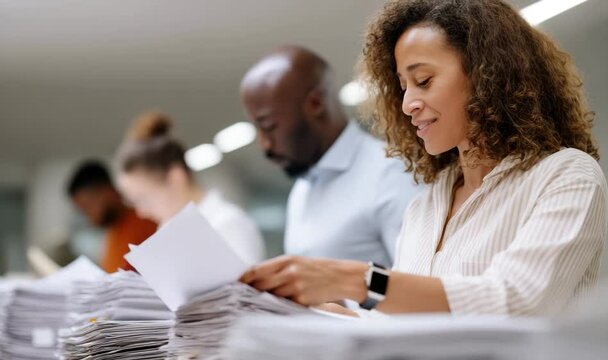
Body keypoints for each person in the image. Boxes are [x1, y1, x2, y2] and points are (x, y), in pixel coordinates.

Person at [241, 0, 608, 317]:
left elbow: (517, 300)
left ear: (486, 75)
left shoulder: (567, 176)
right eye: (403, 87)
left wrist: (356, 280)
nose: (407, 104)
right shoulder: (427, 204)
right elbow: (408, 328)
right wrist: (317, 313)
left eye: (424, 81)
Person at [240, 46, 422, 267]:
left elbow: (422, 286)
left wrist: (347, 292)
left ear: (315, 104)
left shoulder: (392, 173)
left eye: (269, 126)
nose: (265, 145)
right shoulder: (302, 189)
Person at [115, 111, 265, 264]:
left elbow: (245, 286)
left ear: (176, 177)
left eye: (144, 199)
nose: (141, 212)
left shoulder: (228, 223)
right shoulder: (166, 230)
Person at [67, 160, 157, 273]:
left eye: (88, 206)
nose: (89, 218)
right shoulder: (112, 234)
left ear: (107, 191)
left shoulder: (145, 219)